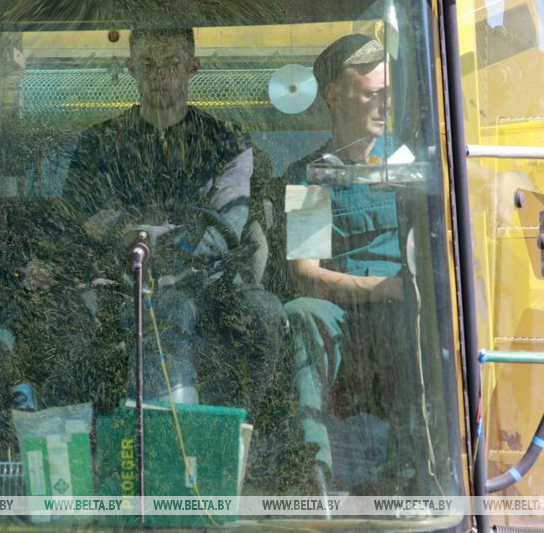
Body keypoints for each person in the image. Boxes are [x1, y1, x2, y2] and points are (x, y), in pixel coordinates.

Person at [54, 27, 339, 492]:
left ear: (192, 68)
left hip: (211, 286)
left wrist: (142, 234)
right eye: (149, 65)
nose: (160, 76)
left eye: (171, 64)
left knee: (265, 315)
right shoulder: (99, 142)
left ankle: (238, 450)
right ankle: (108, 464)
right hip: (119, 287)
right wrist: (156, 239)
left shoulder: (227, 141)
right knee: (72, 330)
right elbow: (87, 220)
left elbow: (228, 224)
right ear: (131, 69)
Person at [284, 33, 419, 493]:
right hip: (341, 315)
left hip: (403, 314)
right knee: (301, 314)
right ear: (334, 96)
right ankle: (317, 475)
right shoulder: (311, 176)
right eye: (371, 94)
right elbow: (305, 276)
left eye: (388, 93)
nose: (384, 105)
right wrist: (382, 288)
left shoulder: (411, 167)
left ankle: (412, 472)